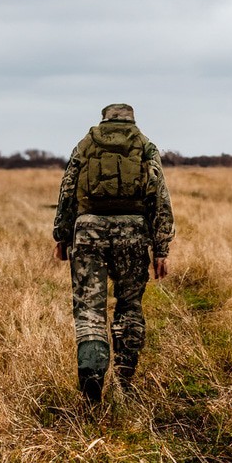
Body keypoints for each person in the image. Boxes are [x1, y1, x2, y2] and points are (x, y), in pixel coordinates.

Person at [53, 103, 174, 403]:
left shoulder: (86, 144)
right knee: (129, 304)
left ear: (104, 119)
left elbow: (67, 190)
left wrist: (62, 235)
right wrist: (161, 248)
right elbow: (159, 197)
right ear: (131, 120)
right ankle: (124, 379)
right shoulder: (144, 145)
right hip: (133, 232)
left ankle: (93, 373)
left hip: (88, 230)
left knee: (89, 308)